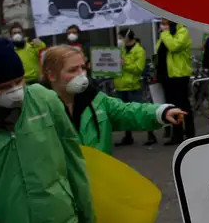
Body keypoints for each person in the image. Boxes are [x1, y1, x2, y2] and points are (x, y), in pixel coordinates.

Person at [0, 35, 96, 223]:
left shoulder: (45, 100)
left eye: (19, 82)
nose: (15, 92)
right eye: (2, 87)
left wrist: (85, 212)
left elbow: (73, 158)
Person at [40, 45, 186, 155]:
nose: (81, 75)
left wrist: (160, 112)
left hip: (99, 180)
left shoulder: (96, 100)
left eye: (82, 68)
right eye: (73, 70)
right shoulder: (36, 109)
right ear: (52, 75)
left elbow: (126, 111)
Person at [113, 29, 158, 146]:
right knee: (123, 113)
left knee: (141, 111)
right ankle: (128, 136)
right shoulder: (121, 49)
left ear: (127, 37)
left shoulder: (139, 50)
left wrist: (124, 64)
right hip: (120, 85)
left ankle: (151, 134)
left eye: (121, 37)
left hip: (133, 86)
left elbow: (138, 69)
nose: (119, 40)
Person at [156, 19, 194, 145]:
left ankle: (190, 133)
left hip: (179, 74)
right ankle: (177, 134)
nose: (162, 26)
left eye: (165, 23)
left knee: (183, 104)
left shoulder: (182, 32)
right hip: (166, 75)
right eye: (161, 23)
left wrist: (165, 33)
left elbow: (174, 46)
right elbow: (158, 49)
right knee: (172, 106)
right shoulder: (165, 35)